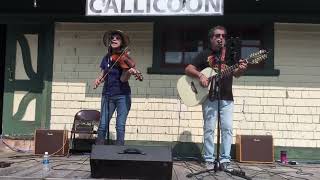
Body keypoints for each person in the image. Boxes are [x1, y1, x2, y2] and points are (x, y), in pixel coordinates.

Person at [184, 26, 248, 169]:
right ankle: (208, 159)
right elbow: (188, 69)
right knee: (209, 129)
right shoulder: (205, 54)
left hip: (226, 97)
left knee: (227, 128)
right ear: (211, 38)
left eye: (224, 36)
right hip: (209, 97)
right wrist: (200, 75)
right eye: (217, 35)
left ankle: (225, 160)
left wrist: (242, 69)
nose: (221, 38)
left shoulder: (231, 55)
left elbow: (236, 74)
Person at [94, 30, 138, 145]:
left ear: (122, 42)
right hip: (107, 94)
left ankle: (119, 153)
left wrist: (129, 72)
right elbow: (103, 73)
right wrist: (99, 79)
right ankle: (99, 152)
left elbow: (123, 79)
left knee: (120, 125)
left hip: (122, 95)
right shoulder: (107, 58)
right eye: (112, 38)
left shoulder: (124, 58)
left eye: (117, 38)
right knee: (103, 124)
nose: (114, 39)